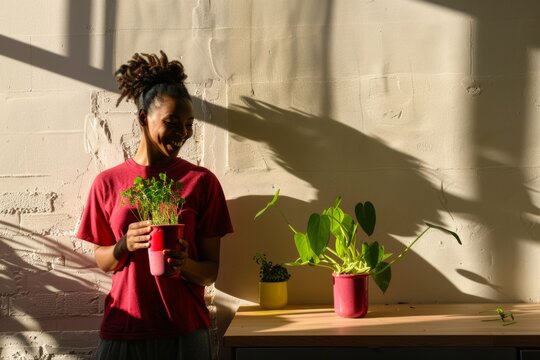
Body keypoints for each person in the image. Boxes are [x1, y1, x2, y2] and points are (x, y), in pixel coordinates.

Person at [77, 51, 233, 360]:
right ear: (142, 118)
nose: (183, 134)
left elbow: (210, 272)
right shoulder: (107, 183)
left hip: (185, 334)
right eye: (172, 122)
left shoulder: (202, 182)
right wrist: (124, 245)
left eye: (189, 125)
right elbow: (105, 262)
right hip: (124, 330)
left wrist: (184, 264)